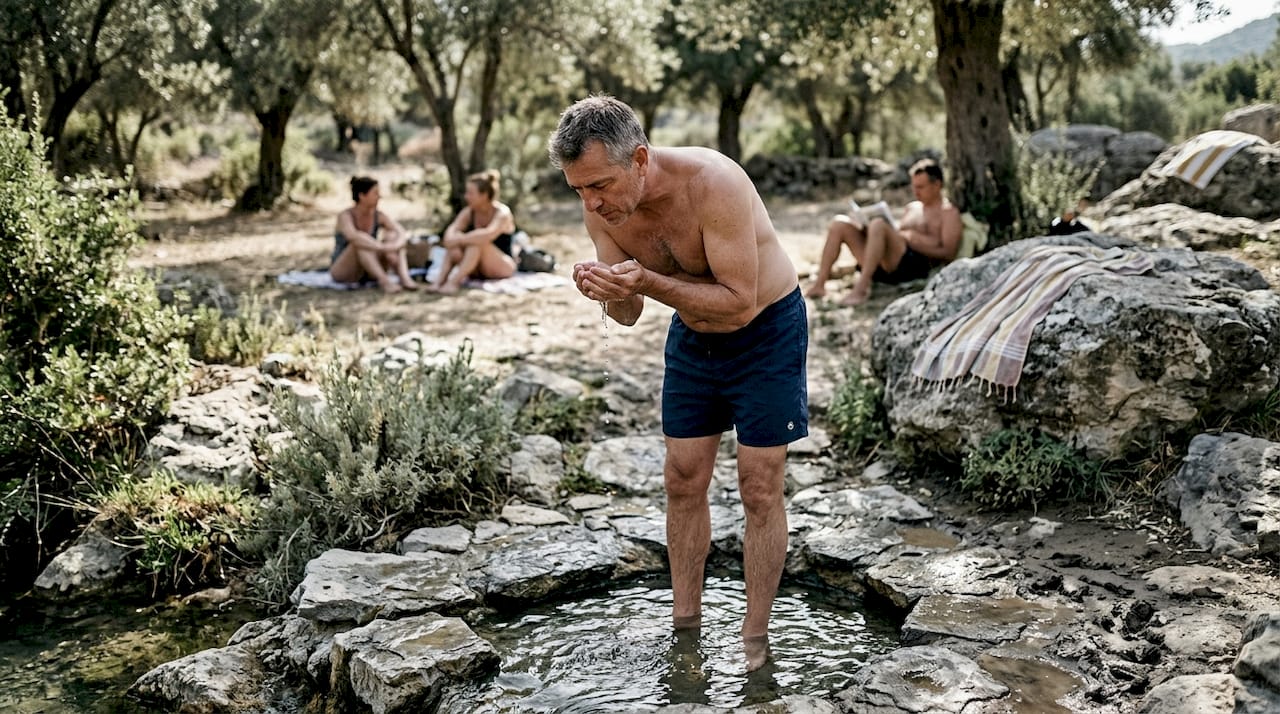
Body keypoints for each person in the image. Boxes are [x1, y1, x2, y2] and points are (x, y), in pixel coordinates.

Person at [548, 95, 807, 672]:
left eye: (600, 185)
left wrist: (645, 281)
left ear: (639, 159)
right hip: (694, 334)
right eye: (578, 190)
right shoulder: (603, 209)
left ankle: (755, 638)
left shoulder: (714, 183)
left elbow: (739, 303)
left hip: (766, 329)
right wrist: (607, 291)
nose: (591, 203)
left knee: (759, 486)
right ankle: (685, 627)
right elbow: (629, 313)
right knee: (682, 479)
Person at [805, 159, 962, 306]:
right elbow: (898, 236)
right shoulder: (912, 208)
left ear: (937, 185)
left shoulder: (948, 212)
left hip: (913, 267)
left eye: (921, 187)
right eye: (913, 187)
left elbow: (949, 253)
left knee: (879, 224)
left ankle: (862, 288)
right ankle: (819, 284)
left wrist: (912, 239)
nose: (916, 192)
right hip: (884, 262)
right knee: (839, 224)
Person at [425, 169, 518, 294]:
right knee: (455, 248)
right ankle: (439, 282)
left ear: (484, 195)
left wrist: (460, 238)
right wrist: (458, 239)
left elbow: (488, 234)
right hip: (477, 269)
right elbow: (449, 236)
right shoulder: (469, 212)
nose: (466, 197)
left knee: (476, 244)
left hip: (501, 266)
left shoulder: (502, 213)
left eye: (470, 193)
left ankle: (454, 283)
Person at [330, 176, 420, 293]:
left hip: (369, 269)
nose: (379, 197)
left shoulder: (379, 215)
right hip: (345, 271)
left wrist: (393, 246)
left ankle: (405, 278)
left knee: (392, 236)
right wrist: (382, 247)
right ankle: (385, 282)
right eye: (375, 193)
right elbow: (353, 237)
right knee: (360, 242)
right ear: (362, 196)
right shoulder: (345, 216)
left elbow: (400, 232)